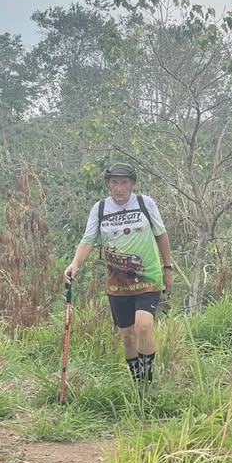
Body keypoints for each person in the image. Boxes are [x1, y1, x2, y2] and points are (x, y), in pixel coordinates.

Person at [63, 162, 173, 383]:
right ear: (108, 184)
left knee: (144, 326)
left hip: (148, 277)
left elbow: (161, 235)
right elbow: (88, 240)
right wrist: (75, 264)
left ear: (132, 184)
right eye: (114, 182)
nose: (119, 188)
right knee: (128, 336)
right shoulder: (100, 209)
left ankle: (147, 383)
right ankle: (137, 382)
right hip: (118, 283)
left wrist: (167, 267)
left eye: (124, 182)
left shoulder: (145, 204)